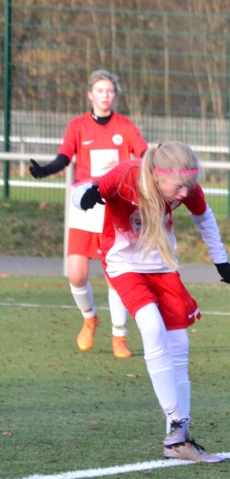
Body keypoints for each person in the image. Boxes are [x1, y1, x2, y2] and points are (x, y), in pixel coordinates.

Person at [73, 142, 230, 462]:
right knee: (151, 327)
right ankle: (178, 424)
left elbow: (204, 218)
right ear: (158, 175)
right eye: (178, 187)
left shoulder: (184, 184)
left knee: (179, 345)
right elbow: (82, 191)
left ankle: (177, 443)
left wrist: (221, 260)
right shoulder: (125, 175)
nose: (184, 194)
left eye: (188, 187)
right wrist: (85, 197)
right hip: (124, 266)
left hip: (163, 268)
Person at [29, 70, 147, 358]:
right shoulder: (78, 126)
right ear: (90, 95)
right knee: (77, 274)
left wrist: (154, 165)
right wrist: (45, 170)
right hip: (85, 204)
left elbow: (143, 154)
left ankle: (119, 336)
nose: (105, 95)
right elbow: (63, 157)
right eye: (100, 90)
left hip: (115, 204)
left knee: (115, 275)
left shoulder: (125, 126)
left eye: (110, 91)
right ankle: (90, 318)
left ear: (115, 95)